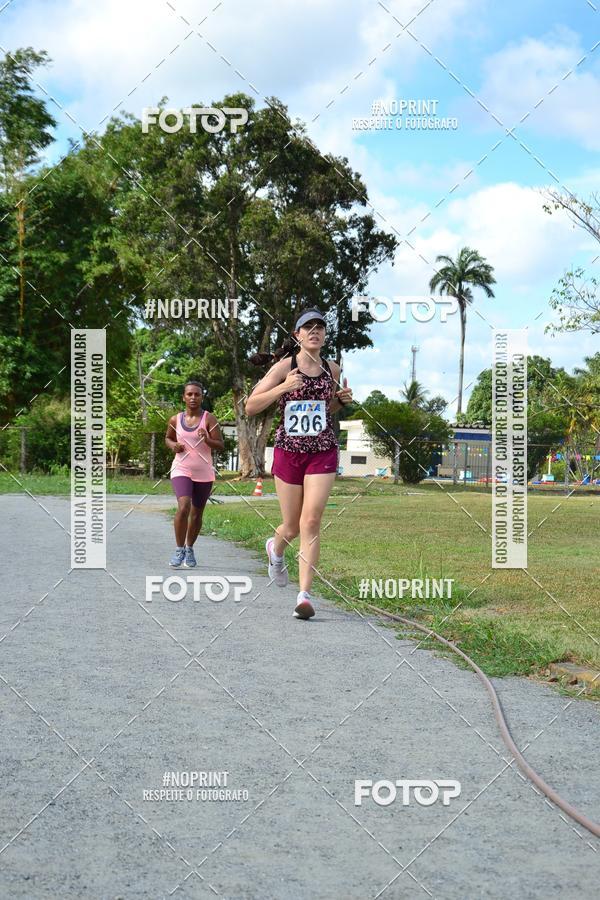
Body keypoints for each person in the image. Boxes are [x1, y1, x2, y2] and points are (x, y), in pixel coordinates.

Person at [245, 308, 353, 619]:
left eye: (320, 327)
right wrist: (283, 387)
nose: (315, 331)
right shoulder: (284, 367)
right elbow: (251, 406)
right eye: (308, 327)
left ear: (325, 335)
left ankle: (304, 595)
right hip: (289, 451)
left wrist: (340, 401)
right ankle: (275, 549)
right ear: (298, 335)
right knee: (291, 526)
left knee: (311, 521)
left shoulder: (332, 369)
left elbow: (324, 409)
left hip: (322, 450)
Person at [165, 380, 224, 567]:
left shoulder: (209, 419)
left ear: (202, 397)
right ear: (183, 397)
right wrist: (173, 446)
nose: (193, 397)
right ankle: (179, 549)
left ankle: (189, 548)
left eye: (197, 394)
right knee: (184, 507)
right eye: (189, 394)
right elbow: (168, 438)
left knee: (197, 514)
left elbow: (220, 445)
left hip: (204, 472)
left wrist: (207, 439)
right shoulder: (175, 419)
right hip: (181, 468)